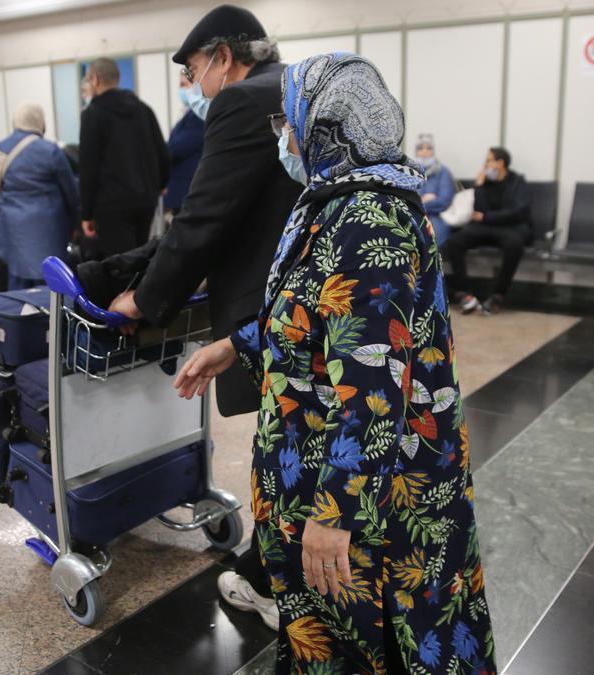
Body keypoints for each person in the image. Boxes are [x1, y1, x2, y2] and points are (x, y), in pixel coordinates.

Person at [174, 52, 496, 672]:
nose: (283, 135)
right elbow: (318, 315)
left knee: (378, 644)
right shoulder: (336, 201)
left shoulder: (369, 219)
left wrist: (334, 515)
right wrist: (238, 345)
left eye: (288, 120)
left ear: (325, 125)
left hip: (372, 504)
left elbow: (375, 390)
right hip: (334, 478)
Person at [106, 4, 302, 631]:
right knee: (304, 441)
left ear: (223, 55)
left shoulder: (242, 101)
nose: (194, 85)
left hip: (275, 308)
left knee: (287, 447)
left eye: (194, 70)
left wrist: (144, 297)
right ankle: (265, 569)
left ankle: (280, 587)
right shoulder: (295, 89)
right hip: (320, 296)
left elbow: (206, 216)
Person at [79, 57, 170, 257]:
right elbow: (161, 150)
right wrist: (162, 183)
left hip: (112, 205)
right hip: (146, 200)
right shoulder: (143, 109)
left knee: (120, 264)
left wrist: (86, 213)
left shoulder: (93, 114)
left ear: (95, 79)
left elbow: (88, 167)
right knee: (140, 258)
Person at [0, 103, 80, 289]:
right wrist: (77, 223)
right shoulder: (51, 150)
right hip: (49, 227)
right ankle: (50, 317)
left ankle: (18, 315)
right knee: (50, 280)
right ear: (40, 122)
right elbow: (70, 191)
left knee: (17, 279)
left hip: (11, 226)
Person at [440, 146, 531, 316]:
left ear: (500, 163)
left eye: (489, 160)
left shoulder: (517, 182)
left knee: (514, 245)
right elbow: (477, 210)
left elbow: (519, 211)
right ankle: (464, 294)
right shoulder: (485, 183)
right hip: (485, 228)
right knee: (454, 242)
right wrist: (479, 186)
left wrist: (487, 217)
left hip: (510, 228)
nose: (485, 165)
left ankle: (498, 295)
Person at [163, 74, 205, 217]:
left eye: (186, 84)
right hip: (182, 192)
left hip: (188, 190)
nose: (182, 89)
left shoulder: (199, 115)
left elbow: (177, 148)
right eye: (180, 85)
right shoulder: (188, 113)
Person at [415, 134, 456, 248]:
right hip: (414, 215)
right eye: (420, 148)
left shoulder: (443, 172)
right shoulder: (410, 171)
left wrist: (419, 202)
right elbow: (404, 199)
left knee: (434, 237)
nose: (424, 152)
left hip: (437, 216)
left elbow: (445, 200)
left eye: (429, 148)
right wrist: (426, 200)